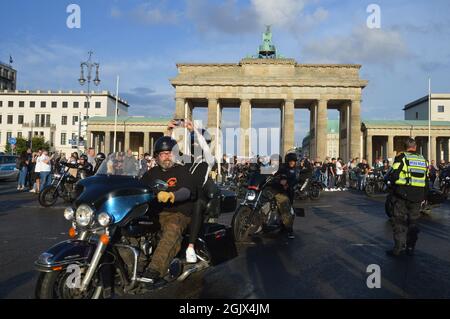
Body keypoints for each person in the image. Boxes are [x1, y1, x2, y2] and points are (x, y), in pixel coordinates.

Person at [140, 136, 194, 282]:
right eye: (163, 154)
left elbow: (187, 191)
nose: (167, 157)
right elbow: (138, 188)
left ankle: (155, 270)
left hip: (178, 212)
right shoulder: (150, 174)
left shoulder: (182, 171)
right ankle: (135, 265)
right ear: (157, 157)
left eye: (170, 153)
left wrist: (171, 195)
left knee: (172, 228)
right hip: (154, 213)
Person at [167, 119, 217, 264]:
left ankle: (190, 246)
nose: (194, 145)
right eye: (192, 143)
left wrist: (194, 130)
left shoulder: (208, 160)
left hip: (199, 194)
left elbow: (204, 145)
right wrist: (171, 131)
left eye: (197, 143)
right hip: (184, 192)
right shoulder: (186, 158)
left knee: (197, 204)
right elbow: (172, 150)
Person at [386, 138, 428, 257]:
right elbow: (426, 179)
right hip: (418, 196)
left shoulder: (402, 158)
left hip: (402, 194)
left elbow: (394, 175)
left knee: (399, 221)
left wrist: (393, 188)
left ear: (405, 147)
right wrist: (424, 196)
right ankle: (410, 247)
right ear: (415, 147)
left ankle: (399, 248)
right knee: (413, 222)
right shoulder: (423, 159)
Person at [269, 152, 298, 239]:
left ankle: (290, 230)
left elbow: (295, 180)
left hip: (289, 192)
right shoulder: (283, 168)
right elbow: (277, 175)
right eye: (290, 161)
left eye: (293, 161)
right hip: (279, 190)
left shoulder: (295, 170)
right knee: (279, 211)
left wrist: (288, 184)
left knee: (287, 212)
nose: (292, 162)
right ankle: (282, 227)